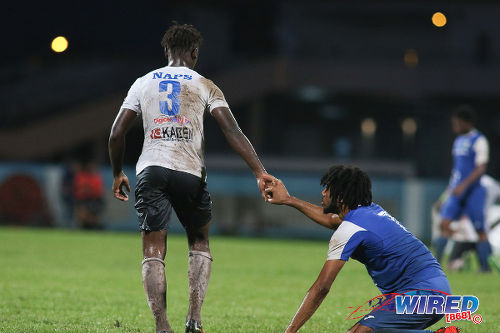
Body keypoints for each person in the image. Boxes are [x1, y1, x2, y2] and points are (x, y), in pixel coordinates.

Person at [108, 23, 270, 333]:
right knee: (199, 240)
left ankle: (161, 326)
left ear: (166, 51)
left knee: (153, 248)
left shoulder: (142, 83)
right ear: (194, 53)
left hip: (151, 169)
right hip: (190, 173)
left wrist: (117, 173)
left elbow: (116, 133)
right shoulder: (205, 84)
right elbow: (232, 130)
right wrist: (260, 172)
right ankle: (194, 319)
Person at [263, 165, 459, 333]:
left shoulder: (350, 229)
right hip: (435, 292)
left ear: (340, 197)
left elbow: (321, 288)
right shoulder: (370, 210)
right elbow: (331, 220)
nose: (322, 192)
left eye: (327, 188)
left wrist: (290, 331)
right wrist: (289, 200)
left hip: (421, 295)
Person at [434, 105, 491, 272]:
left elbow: (481, 168)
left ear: (467, 123)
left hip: (474, 191)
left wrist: (463, 186)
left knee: (480, 229)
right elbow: (456, 173)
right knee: (444, 223)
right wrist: (444, 196)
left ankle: (485, 268)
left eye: (457, 123)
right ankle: (436, 265)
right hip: (456, 191)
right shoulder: (458, 141)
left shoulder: (479, 140)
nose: (455, 126)